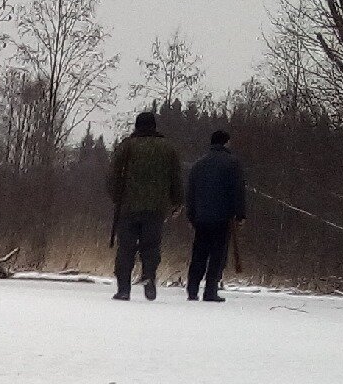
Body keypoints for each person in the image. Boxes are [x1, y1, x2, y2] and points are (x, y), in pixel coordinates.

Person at [105, 110, 185, 300]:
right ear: (154, 126)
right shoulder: (167, 148)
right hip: (156, 207)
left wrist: (117, 197)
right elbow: (176, 177)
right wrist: (177, 202)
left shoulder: (127, 146)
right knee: (151, 246)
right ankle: (149, 276)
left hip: (128, 207)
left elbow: (112, 175)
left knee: (125, 248)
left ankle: (123, 289)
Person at [185, 128, 248, 302]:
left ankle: (192, 289)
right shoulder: (232, 163)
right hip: (222, 217)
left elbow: (190, 192)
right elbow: (238, 191)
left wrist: (191, 215)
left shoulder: (198, 164)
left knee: (199, 253)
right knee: (217, 255)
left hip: (201, 218)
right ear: (226, 142)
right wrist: (240, 214)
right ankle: (210, 290)